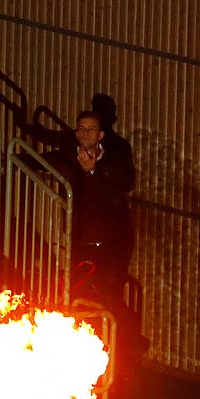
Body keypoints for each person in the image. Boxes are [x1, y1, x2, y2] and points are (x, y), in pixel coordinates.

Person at [44, 109, 134, 306]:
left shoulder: (114, 159)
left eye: (91, 129)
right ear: (76, 134)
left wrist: (92, 172)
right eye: (81, 129)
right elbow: (37, 159)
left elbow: (125, 186)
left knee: (111, 297)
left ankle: (115, 335)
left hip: (112, 243)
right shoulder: (67, 157)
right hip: (81, 241)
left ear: (100, 135)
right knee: (80, 293)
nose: (85, 133)